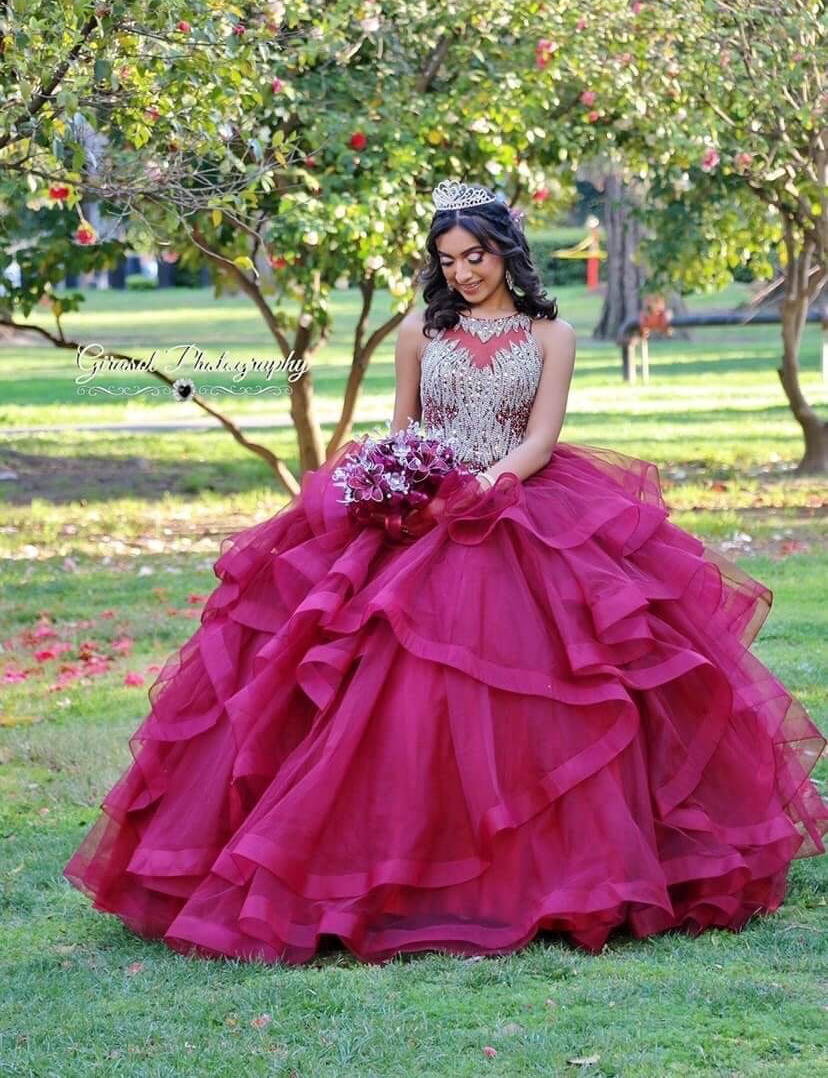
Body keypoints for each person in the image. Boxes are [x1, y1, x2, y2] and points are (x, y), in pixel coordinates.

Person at [63, 178, 828, 964]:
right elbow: (404, 427)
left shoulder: (549, 335)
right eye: (448, 260)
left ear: (506, 251)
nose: (462, 272)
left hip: (519, 501)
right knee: (366, 680)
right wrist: (397, 477)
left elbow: (541, 438)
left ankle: (557, 874)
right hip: (416, 506)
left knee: (549, 682)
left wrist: (487, 489)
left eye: (476, 256)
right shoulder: (419, 333)